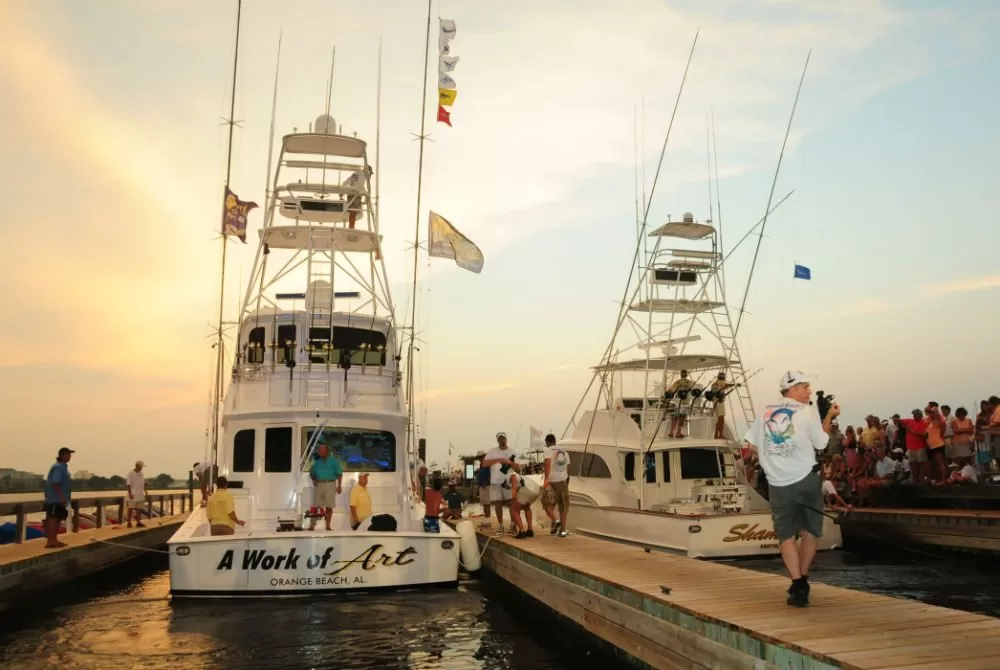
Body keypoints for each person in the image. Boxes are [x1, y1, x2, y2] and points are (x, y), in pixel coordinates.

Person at [744, 371, 839, 608]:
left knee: (785, 534)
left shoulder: (765, 412)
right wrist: (828, 417)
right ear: (793, 388)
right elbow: (821, 443)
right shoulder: (808, 412)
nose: (809, 391)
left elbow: (751, 445)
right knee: (811, 530)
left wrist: (772, 458)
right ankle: (803, 579)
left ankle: (797, 583)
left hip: (777, 483)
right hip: (807, 479)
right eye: (805, 387)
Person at [482, 432, 517, 537]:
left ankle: (512, 524)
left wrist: (510, 463)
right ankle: (500, 525)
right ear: (497, 440)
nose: (502, 440)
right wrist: (499, 460)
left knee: (511, 503)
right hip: (496, 482)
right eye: (500, 439)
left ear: (506, 439)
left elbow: (518, 466)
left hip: (508, 481)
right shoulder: (493, 451)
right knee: (498, 504)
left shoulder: (512, 451)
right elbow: (484, 463)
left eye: (503, 438)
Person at [43, 448, 74, 549]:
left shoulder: (63, 467)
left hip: (61, 499)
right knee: (53, 519)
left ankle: (54, 540)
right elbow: (55, 483)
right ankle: (50, 541)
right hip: (55, 499)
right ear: (62, 455)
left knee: (58, 519)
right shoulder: (58, 468)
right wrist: (61, 497)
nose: (70, 456)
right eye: (68, 454)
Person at [541, 433, 570, 537]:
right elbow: (568, 467)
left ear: (547, 442)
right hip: (563, 481)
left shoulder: (548, 450)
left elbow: (547, 463)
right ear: (555, 440)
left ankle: (555, 520)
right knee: (563, 507)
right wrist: (566, 478)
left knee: (546, 503)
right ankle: (562, 530)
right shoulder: (564, 451)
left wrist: (546, 479)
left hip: (552, 481)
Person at [309, 443, 343, 531]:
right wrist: (314, 480)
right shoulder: (317, 462)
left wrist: (339, 485)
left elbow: (339, 474)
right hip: (319, 484)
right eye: (319, 450)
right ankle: (312, 526)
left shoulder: (334, 461)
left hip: (330, 484)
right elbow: (312, 473)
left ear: (326, 451)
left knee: (329, 506)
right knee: (316, 506)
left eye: (321, 450)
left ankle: (328, 526)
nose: (319, 452)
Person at [505, 459, 541, 539]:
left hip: (525, 490)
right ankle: (530, 530)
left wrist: (513, 492)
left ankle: (522, 531)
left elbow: (513, 478)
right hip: (535, 490)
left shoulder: (510, 474)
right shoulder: (519, 475)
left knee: (513, 509)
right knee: (526, 507)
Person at [665, 370, 695, 438]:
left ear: (681, 374)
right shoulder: (690, 382)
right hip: (685, 403)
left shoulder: (677, 382)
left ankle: (671, 432)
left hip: (678, 403)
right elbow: (693, 392)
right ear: (686, 375)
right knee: (682, 417)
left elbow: (671, 390)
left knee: (675, 417)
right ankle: (678, 433)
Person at [709, 372, 737, 439]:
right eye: (724, 377)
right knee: (721, 419)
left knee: (720, 418)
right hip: (719, 402)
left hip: (716, 402)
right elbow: (726, 385)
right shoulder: (721, 382)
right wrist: (735, 384)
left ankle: (717, 434)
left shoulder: (714, 384)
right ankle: (719, 435)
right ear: (723, 377)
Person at [126, 460, 148, 528]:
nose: (141, 468)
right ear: (137, 466)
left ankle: (138, 522)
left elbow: (143, 484)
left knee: (139, 508)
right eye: (141, 466)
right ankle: (129, 522)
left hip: (140, 494)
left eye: (142, 467)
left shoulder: (141, 473)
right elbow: (128, 484)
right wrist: (130, 493)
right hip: (133, 493)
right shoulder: (130, 474)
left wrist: (146, 492)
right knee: (131, 508)